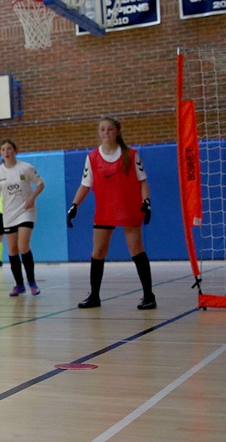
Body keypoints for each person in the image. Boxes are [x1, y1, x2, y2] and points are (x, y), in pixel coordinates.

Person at [67, 117, 157, 310]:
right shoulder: (92, 158)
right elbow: (85, 184)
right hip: (105, 209)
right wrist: (74, 205)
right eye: (102, 130)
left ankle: (149, 295)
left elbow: (142, 181)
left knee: (136, 250)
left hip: (128, 208)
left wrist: (146, 202)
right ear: (99, 133)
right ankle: (94, 296)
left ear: (117, 131)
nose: (106, 133)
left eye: (109, 129)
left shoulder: (131, 155)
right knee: (98, 252)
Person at [0, 139, 45, 297]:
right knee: (12, 250)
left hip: (26, 210)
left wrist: (32, 197)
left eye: (9, 149)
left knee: (23, 246)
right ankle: (19, 284)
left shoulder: (26, 168)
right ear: (0, 152)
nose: (6, 152)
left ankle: (32, 282)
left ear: (15, 150)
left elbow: (40, 184)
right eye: (3, 149)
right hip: (9, 213)